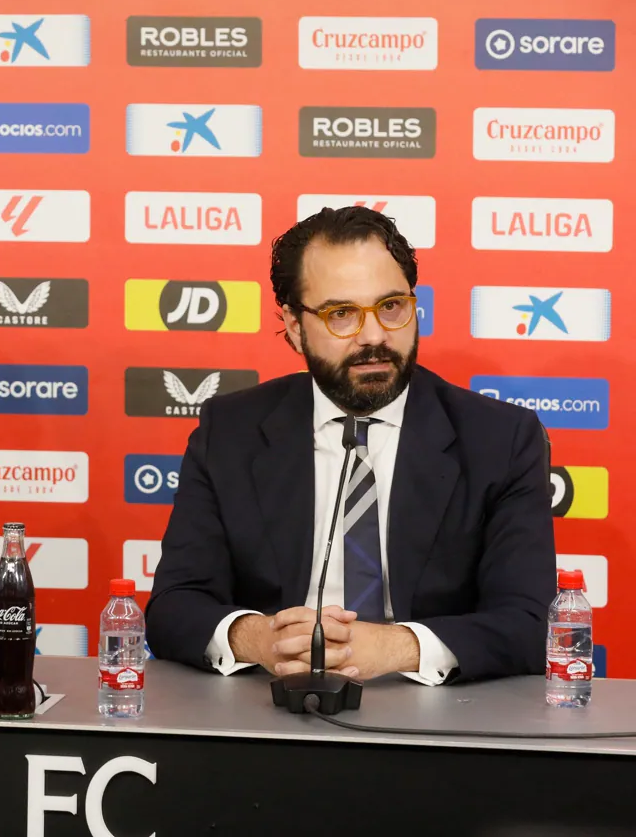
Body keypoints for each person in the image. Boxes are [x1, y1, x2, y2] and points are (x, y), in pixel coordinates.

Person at [146, 205, 555, 684]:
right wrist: (258, 638)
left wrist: (398, 646)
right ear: (295, 326)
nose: (375, 336)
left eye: (391, 307)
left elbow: (531, 624)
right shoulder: (231, 432)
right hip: (268, 710)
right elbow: (174, 605)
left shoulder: (501, 439)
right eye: (341, 314)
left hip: (439, 719)